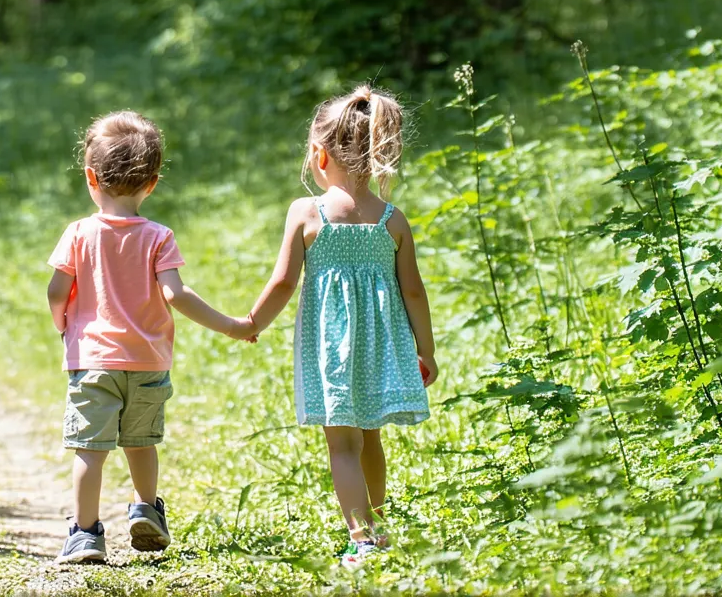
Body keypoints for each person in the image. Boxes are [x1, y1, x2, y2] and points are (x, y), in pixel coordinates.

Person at [46, 111, 256, 565]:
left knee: (90, 449)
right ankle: (146, 509)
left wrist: (62, 323)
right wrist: (233, 325)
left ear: (90, 177)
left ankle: (84, 534)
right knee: (141, 442)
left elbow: (57, 290)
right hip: (147, 361)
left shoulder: (78, 233)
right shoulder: (159, 237)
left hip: (93, 360)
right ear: (153, 182)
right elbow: (176, 294)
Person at [244, 85, 436, 568]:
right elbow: (413, 290)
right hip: (382, 346)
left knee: (342, 444)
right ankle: (379, 527)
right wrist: (426, 351)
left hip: (332, 348)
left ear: (318, 155)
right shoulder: (393, 220)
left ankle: (362, 538)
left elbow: (284, 281)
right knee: (370, 436)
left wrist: (251, 322)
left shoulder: (307, 213)